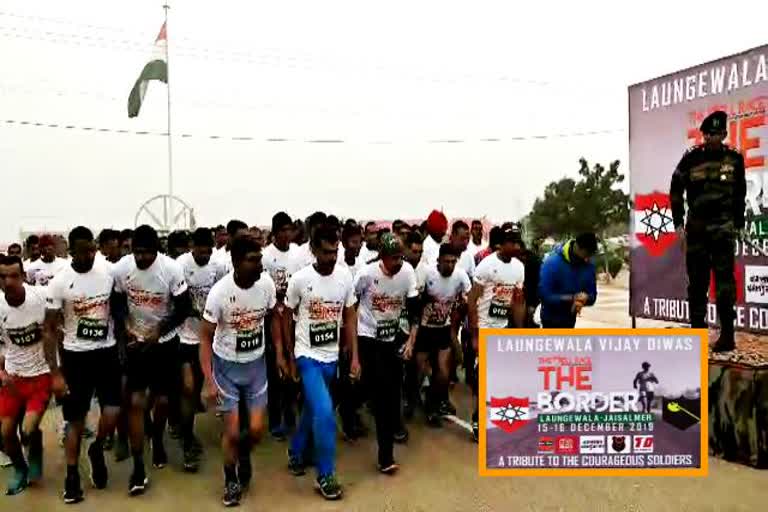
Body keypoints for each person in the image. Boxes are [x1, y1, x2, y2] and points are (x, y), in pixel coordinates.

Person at [281, 225, 360, 500]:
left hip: (332, 357)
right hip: (307, 356)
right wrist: (289, 356)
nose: (331, 257)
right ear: (313, 250)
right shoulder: (300, 280)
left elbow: (350, 316)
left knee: (313, 410)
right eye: (326, 252)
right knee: (326, 413)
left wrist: (355, 357)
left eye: (335, 251)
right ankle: (326, 475)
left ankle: (296, 452)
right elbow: (284, 317)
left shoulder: (344, 276)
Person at [44, 227, 122, 503]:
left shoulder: (108, 274)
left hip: (107, 352)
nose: (89, 255)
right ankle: (72, 476)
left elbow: (119, 311)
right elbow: (50, 329)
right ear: (71, 251)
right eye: (82, 251)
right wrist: (55, 372)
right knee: (75, 421)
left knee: (112, 413)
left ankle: (97, 449)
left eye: (92, 249)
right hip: (76, 357)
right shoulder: (60, 282)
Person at [111, 225, 191, 496]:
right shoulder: (122, 269)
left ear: (157, 250)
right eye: (137, 252)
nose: (142, 258)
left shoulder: (171, 270)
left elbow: (184, 309)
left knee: (164, 401)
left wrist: (161, 330)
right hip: (136, 343)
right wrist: (124, 328)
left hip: (166, 344)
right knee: (135, 402)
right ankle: (137, 467)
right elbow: (118, 302)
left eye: (147, 252)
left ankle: (157, 438)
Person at [199, 235, 278, 507]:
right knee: (232, 433)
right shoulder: (219, 293)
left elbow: (272, 320)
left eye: (260, 260)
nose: (259, 266)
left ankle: (241, 454)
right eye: (252, 261)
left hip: (256, 367)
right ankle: (230, 478)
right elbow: (205, 338)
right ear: (235, 261)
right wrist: (208, 380)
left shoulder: (266, 285)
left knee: (256, 430)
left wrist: (279, 353)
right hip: (226, 369)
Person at [670, 110, 747, 353]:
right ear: (703, 135)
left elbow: (740, 195)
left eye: (717, 134)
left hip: (723, 231)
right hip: (697, 232)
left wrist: (740, 224)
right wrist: (679, 225)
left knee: (725, 284)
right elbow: (675, 189)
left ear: (724, 134)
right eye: (708, 134)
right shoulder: (691, 159)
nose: (712, 138)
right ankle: (697, 334)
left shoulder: (735, 159)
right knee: (697, 284)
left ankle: (727, 335)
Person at [354, 233, 420, 474]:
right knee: (377, 393)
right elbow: (351, 305)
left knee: (390, 395)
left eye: (400, 257)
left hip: (392, 339)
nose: (398, 263)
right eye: (393, 258)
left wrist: (411, 342)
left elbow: (414, 311)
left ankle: (385, 455)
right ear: (382, 257)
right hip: (368, 338)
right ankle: (350, 407)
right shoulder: (366, 274)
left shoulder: (408, 272)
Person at [467, 227, 526, 441]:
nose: (517, 247)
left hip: (502, 329)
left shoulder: (519, 268)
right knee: (483, 377)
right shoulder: (487, 266)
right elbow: (472, 300)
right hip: (483, 328)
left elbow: (518, 301)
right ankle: (477, 419)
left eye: (519, 242)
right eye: (513, 243)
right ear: (502, 244)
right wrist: (475, 335)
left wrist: (519, 332)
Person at [175, 228, 227, 472]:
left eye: (209, 250)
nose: (205, 255)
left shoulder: (217, 268)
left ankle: (232, 433)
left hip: (213, 339)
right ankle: (187, 442)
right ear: (192, 246)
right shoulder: (180, 266)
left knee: (218, 390)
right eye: (201, 250)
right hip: (185, 338)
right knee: (188, 389)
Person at [0, 255, 51, 496]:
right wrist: (1, 372)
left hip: (40, 375)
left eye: (13, 276)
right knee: (7, 432)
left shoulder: (40, 299)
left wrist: (59, 371)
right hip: (13, 377)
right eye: (2, 277)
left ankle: (36, 450)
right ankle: (20, 469)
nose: (8, 281)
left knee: (28, 430)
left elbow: (54, 333)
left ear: (23, 276)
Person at [416, 244, 470, 427]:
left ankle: (434, 405)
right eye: (446, 261)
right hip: (423, 329)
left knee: (444, 373)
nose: (450, 265)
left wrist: (462, 306)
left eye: (453, 261)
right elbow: (414, 301)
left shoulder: (460, 276)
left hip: (443, 329)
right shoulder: (427, 274)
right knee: (419, 370)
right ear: (438, 260)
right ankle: (413, 398)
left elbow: (469, 298)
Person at [261, 212, 302, 441]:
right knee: (275, 369)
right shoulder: (266, 256)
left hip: (293, 317)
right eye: (283, 230)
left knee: (293, 364)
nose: (287, 234)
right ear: (275, 232)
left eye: (290, 230)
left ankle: (290, 415)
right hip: (272, 316)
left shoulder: (297, 254)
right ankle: (275, 419)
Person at [538, 233, 598, 329]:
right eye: (587, 254)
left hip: (570, 322)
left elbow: (593, 296)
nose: (588, 258)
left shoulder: (589, 266)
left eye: (590, 255)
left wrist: (585, 298)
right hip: (549, 321)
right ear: (578, 247)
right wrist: (572, 298)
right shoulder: (552, 263)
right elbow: (545, 295)